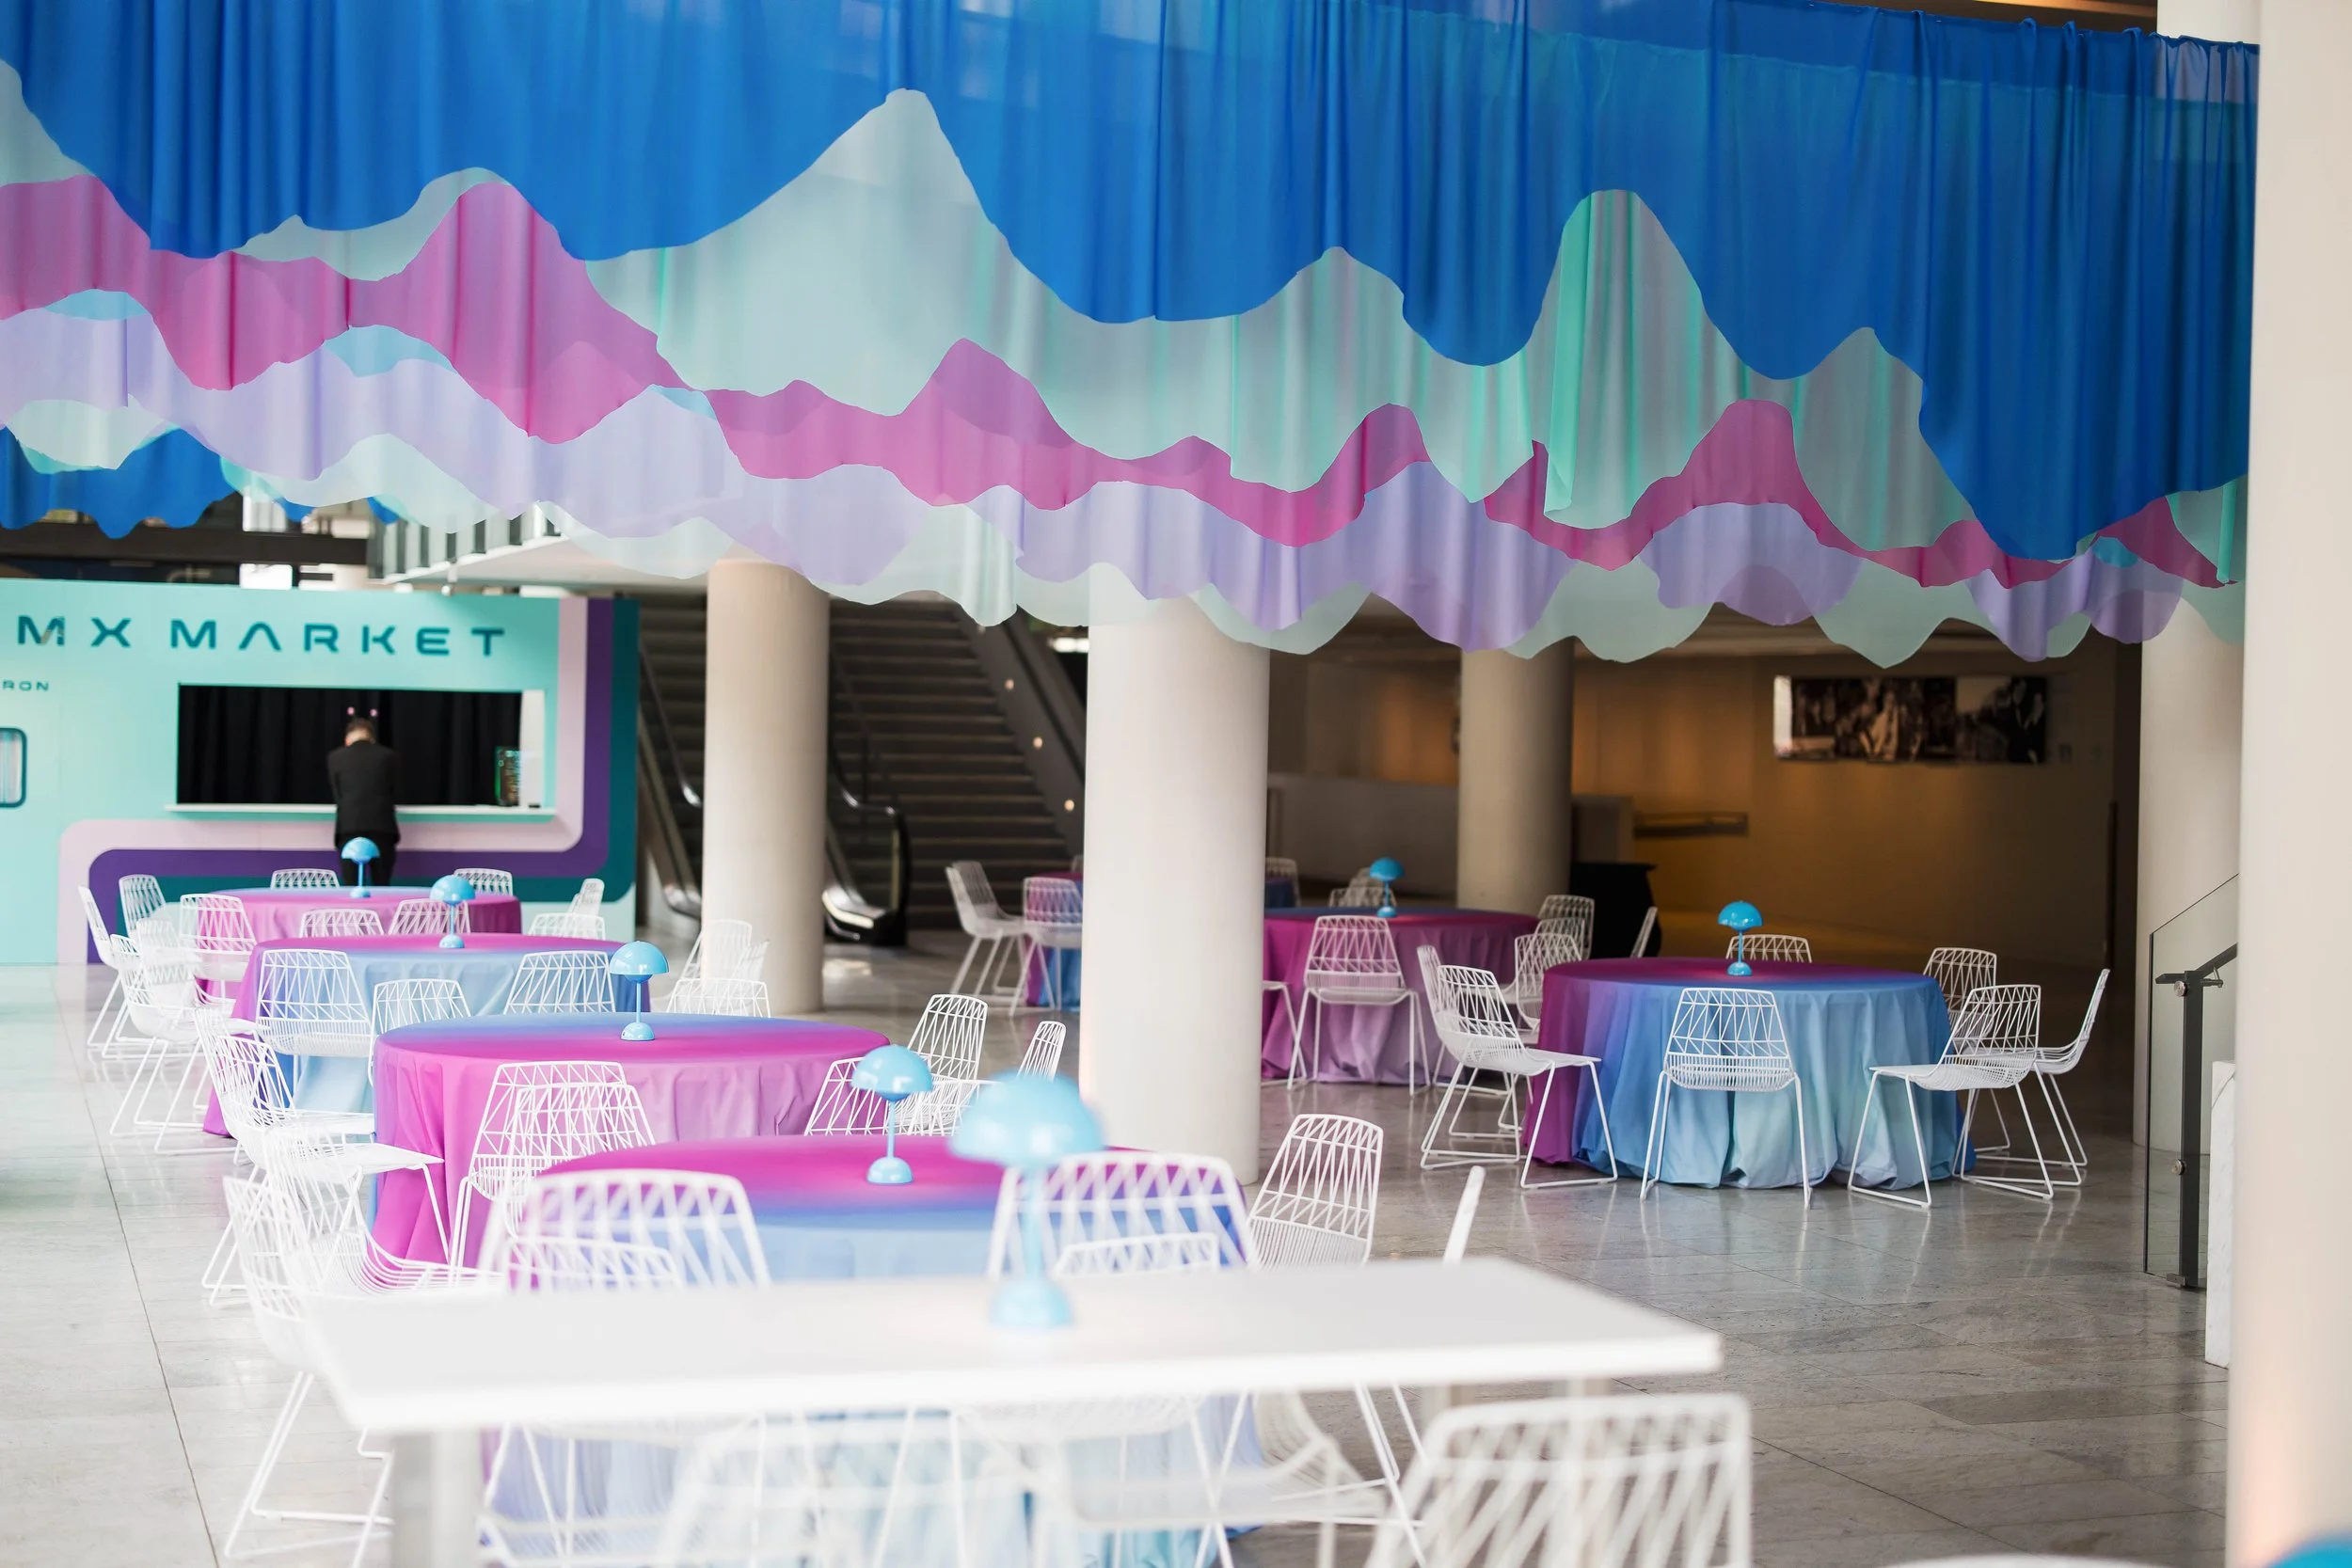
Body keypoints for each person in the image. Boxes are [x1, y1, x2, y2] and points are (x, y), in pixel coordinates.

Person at [327, 714, 402, 885]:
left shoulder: (335, 757)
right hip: (382, 826)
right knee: (381, 884)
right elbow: (395, 791)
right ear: (372, 739)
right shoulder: (389, 756)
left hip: (348, 826)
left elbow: (338, 794)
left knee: (350, 885)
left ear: (347, 740)